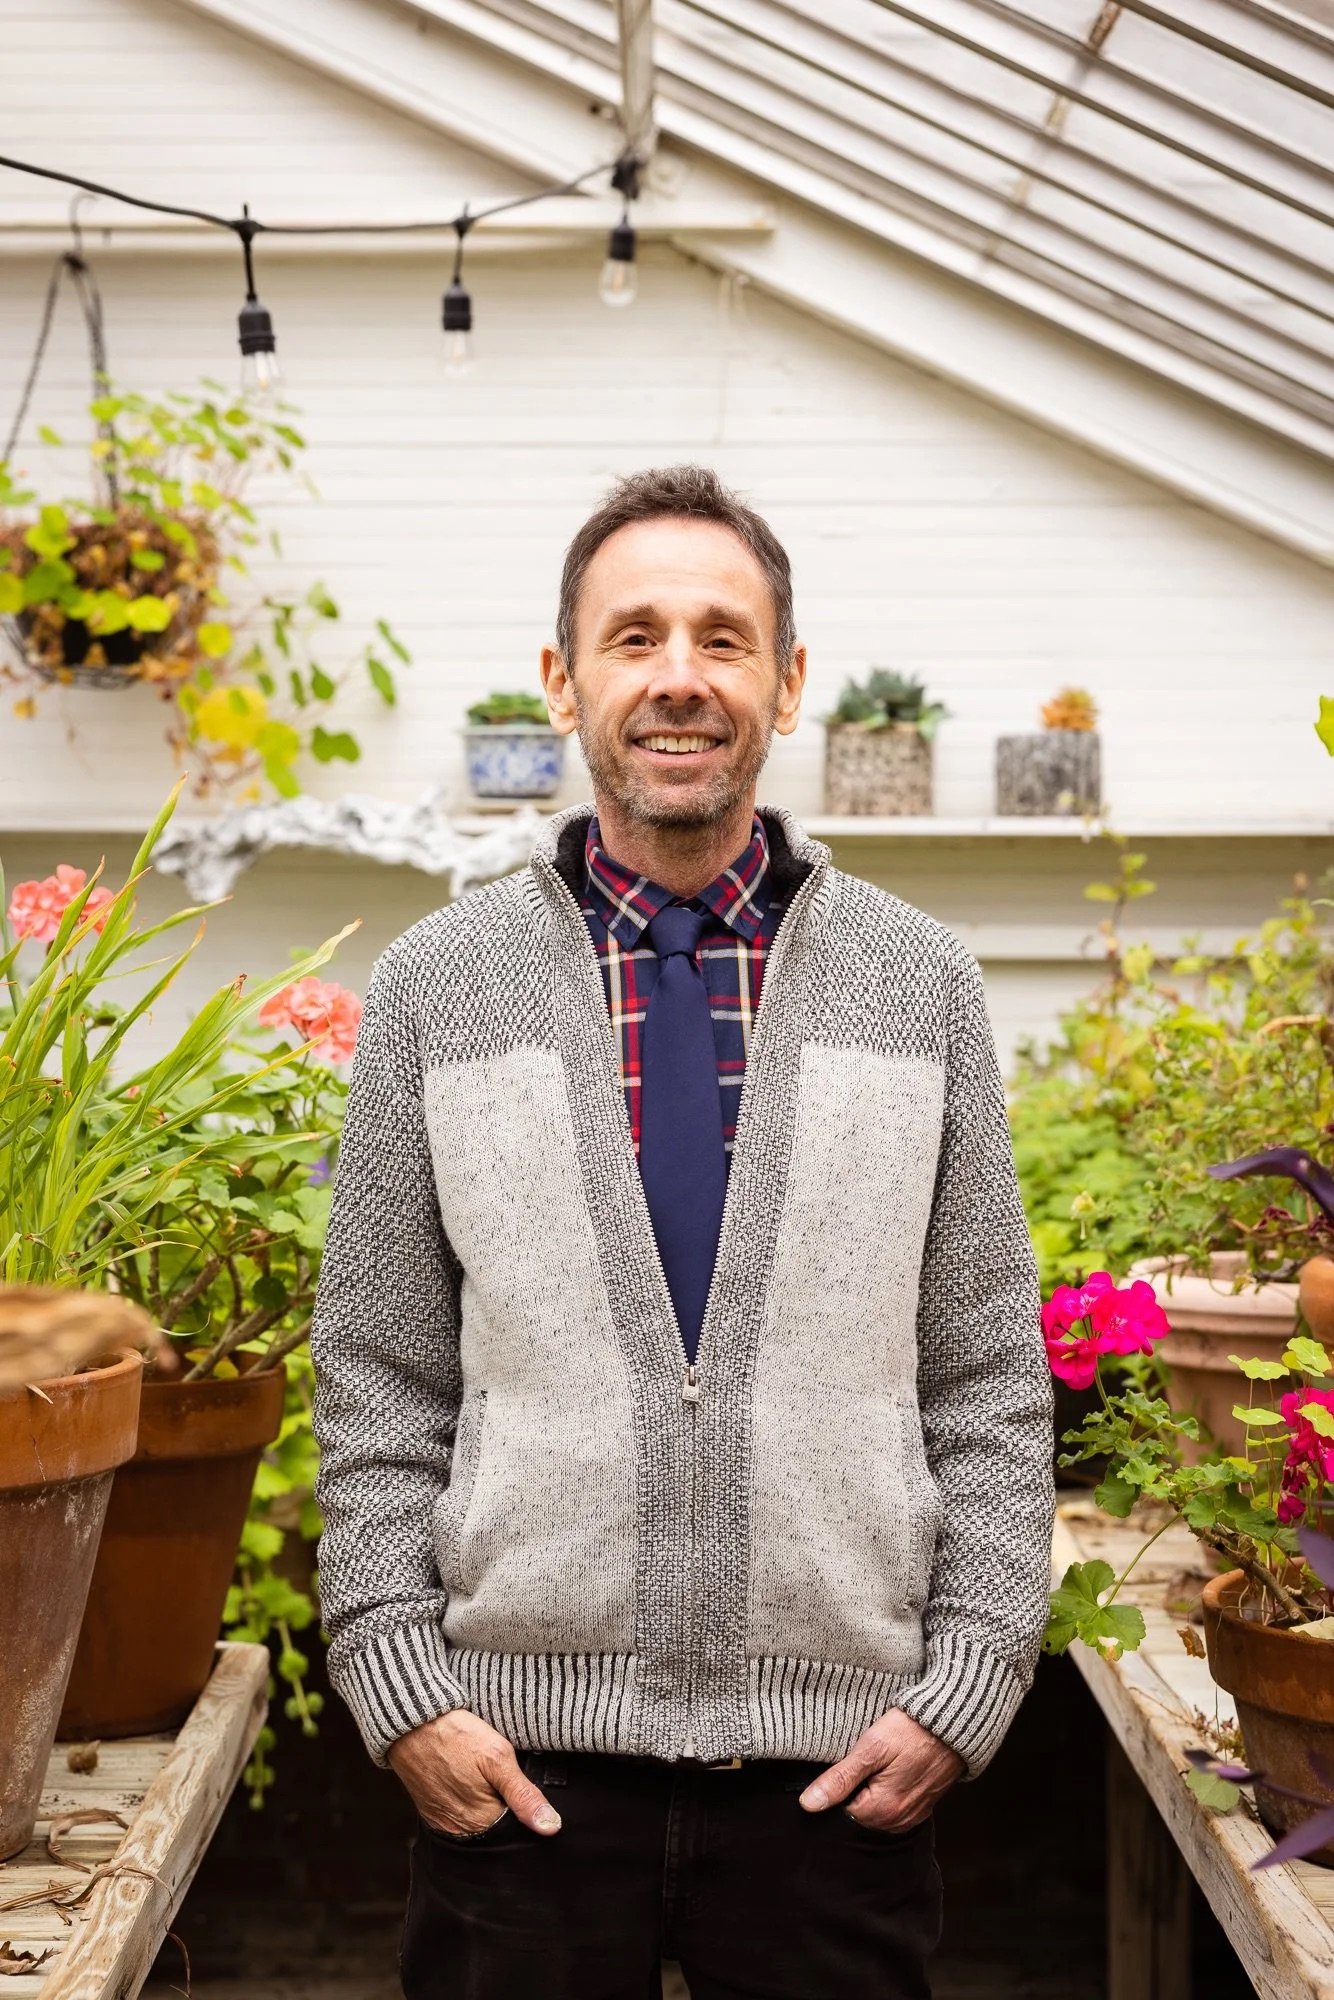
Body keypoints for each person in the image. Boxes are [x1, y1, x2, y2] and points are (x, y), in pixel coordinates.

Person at [309, 464, 1054, 2000]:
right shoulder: (438, 990)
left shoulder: (918, 987)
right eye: (632, 634)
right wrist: (404, 1690)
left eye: (722, 639)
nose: (676, 678)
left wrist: (965, 1686)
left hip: (838, 1778)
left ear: (785, 682)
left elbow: (985, 1376)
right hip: (512, 1774)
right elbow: (378, 1381)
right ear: (563, 675)